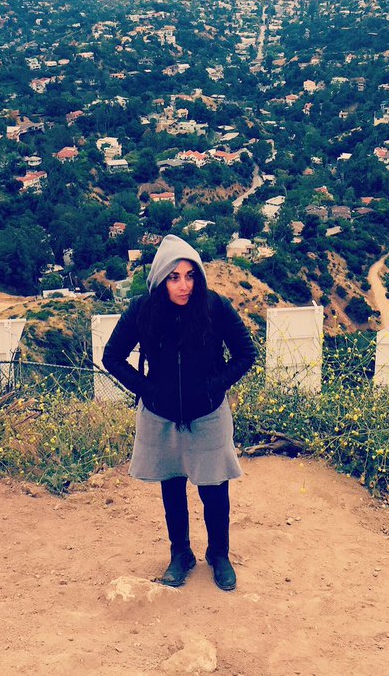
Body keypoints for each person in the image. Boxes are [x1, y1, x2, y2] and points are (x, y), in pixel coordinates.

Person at [102, 234, 256, 591]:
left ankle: (219, 554)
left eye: (190, 275)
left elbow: (246, 354)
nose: (184, 285)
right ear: (160, 279)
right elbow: (112, 356)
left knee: (215, 490)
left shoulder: (214, 307)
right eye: (174, 277)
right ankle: (181, 554)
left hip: (208, 415)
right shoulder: (143, 310)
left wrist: (214, 386)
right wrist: (148, 389)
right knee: (172, 489)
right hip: (161, 417)